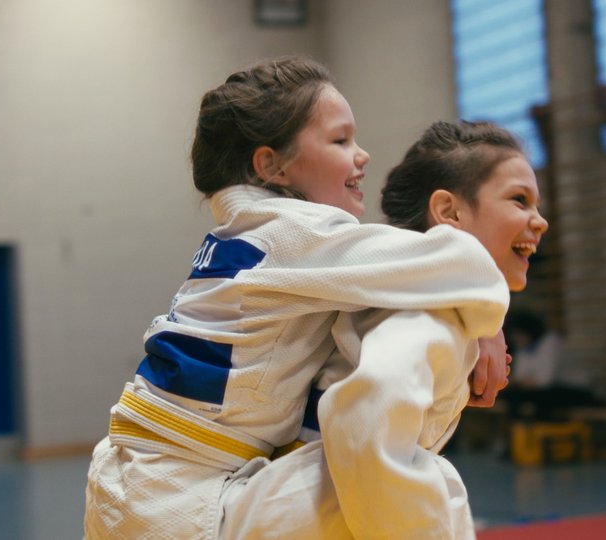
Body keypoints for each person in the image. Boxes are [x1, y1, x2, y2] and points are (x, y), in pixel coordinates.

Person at [83, 57, 511, 539]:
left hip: (134, 483)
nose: (362, 155)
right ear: (272, 166)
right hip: (177, 500)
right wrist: (483, 325)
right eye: (340, 140)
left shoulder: (242, 237)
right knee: (421, 476)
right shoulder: (289, 233)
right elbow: (461, 264)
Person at [219, 120, 548, 538]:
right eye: (519, 200)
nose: (540, 221)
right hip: (306, 514)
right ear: (449, 212)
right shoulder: (429, 317)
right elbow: (362, 424)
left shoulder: (418, 297)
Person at [502, 308, 597, 422]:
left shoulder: (551, 342)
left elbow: (545, 380)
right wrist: (522, 382)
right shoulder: (523, 348)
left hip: (574, 389)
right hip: (549, 390)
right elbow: (520, 377)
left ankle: (544, 432)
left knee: (539, 401)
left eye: (518, 334)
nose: (515, 338)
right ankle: (520, 431)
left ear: (528, 330)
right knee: (511, 396)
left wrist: (521, 381)